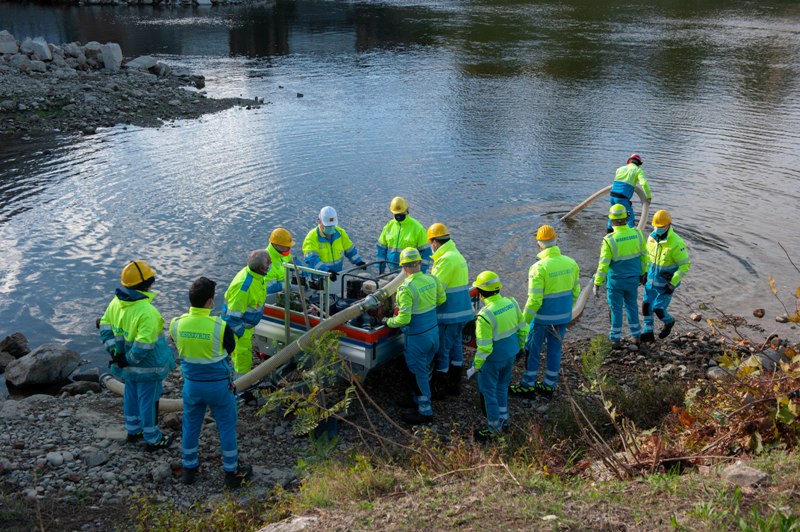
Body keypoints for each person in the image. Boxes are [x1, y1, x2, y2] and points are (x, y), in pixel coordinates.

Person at [169, 277, 253, 489]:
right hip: (218, 387)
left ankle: (189, 469)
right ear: (209, 302)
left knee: (190, 425)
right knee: (226, 427)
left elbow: (177, 342)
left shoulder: (176, 324)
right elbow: (230, 348)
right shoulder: (219, 326)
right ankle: (231, 472)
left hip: (192, 385)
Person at [98, 260, 176, 451]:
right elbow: (145, 345)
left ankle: (133, 430)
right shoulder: (147, 312)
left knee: (131, 395)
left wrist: (115, 352)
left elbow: (105, 328)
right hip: (147, 368)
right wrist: (129, 359)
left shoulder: (116, 303)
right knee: (149, 401)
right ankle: (153, 438)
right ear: (148, 284)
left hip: (126, 367)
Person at [510, 225, 580, 400]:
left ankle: (528, 385)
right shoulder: (571, 263)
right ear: (556, 240)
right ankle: (549, 385)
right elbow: (576, 292)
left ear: (539, 244)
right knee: (554, 350)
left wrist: (524, 322)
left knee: (533, 350)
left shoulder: (538, 268)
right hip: (563, 317)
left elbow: (534, 301)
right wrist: (565, 310)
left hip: (542, 319)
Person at [384, 247, 445, 425]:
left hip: (417, 338)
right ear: (419, 263)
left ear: (404, 267)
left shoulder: (406, 288)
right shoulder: (432, 279)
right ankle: (415, 399)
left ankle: (425, 412)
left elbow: (404, 319)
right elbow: (441, 300)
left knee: (418, 374)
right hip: (433, 334)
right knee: (426, 368)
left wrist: (387, 321)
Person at [468, 271, 528, 442]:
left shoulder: (484, 316)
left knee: (489, 392)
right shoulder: (513, 303)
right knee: (502, 386)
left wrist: (476, 366)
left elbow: (485, 348)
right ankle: (505, 420)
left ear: (480, 292)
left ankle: (494, 429)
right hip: (511, 354)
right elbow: (523, 329)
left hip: (493, 360)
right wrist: (521, 348)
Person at [427, 222, 472, 397]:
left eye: (431, 243)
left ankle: (441, 385)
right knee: (455, 346)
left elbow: (437, 289)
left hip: (448, 315)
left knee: (443, 349)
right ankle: (455, 383)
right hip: (463, 312)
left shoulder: (445, 260)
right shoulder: (457, 255)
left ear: (435, 242)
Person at [593, 204, 648, 347]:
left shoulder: (609, 240)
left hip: (615, 282)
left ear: (611, 220)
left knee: (616, 309)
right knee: (632, 306)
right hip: (633, 280)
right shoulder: (637, 234)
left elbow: (603, 265)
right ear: (627, 218)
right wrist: (643, 274)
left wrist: (597, 283)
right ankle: (636, 336)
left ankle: (615, 338)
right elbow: (644, 257)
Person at [641, 210, 691, 342]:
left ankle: (669, 322)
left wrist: (673, 283)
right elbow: (646, 258)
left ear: (669, 224)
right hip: (650, 282)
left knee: (658, 308)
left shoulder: (676, 243)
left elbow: (684, 265)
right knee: (646, 306)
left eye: (661, 226)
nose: (658, 228)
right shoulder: (651, 238)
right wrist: (644, 273)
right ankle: (648, 332)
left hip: (665, 285)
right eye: (656, 226)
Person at [221, 250, 271, 375]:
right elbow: (231, 318)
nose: (270, 266)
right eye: (268, 264)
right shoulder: (243, 288)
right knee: (242, 359)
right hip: (239, 329)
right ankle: (241, 386)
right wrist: (241, 333)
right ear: (261, 268)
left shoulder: (256, 276)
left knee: (242, 356)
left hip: (246, 326)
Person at [302, 206, 366, 280]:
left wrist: (358, 261)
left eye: (332, 225)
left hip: (337, 275)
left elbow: (349, 250)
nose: (331, 228)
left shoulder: (340, 233)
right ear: (319, 221)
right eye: (328, 226)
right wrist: (327, 271)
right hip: (318, 279)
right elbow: (311, 259)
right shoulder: (312, 237)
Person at [376, 196, 432, 273]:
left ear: (406, 210)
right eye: (396, 213)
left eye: (401, 213)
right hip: (391, 271)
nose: (398, 215)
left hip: (410, 272)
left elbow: (426, 254)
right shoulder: (389, 226)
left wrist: (420, 273)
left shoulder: (417, 228)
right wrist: (381, 270)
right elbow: (381, 250)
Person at [608, 153, 652, 232]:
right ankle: (632, 236)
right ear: (638, 164)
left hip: (612, 195)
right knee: (630, 217)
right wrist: (648, 196)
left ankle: (609, 234)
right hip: (622, 197)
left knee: (613, 214)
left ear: (629, 161)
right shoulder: (638, 170)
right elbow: (644, 183)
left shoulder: (620, 169)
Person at [265, 228, 296, 294]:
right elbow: (267, 288)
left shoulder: (281, 252)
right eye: (286, 246)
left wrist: (300, 270)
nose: (288, 249)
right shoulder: (266, 263)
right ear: (276, 245)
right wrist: (284, 286)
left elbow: (291, 260)